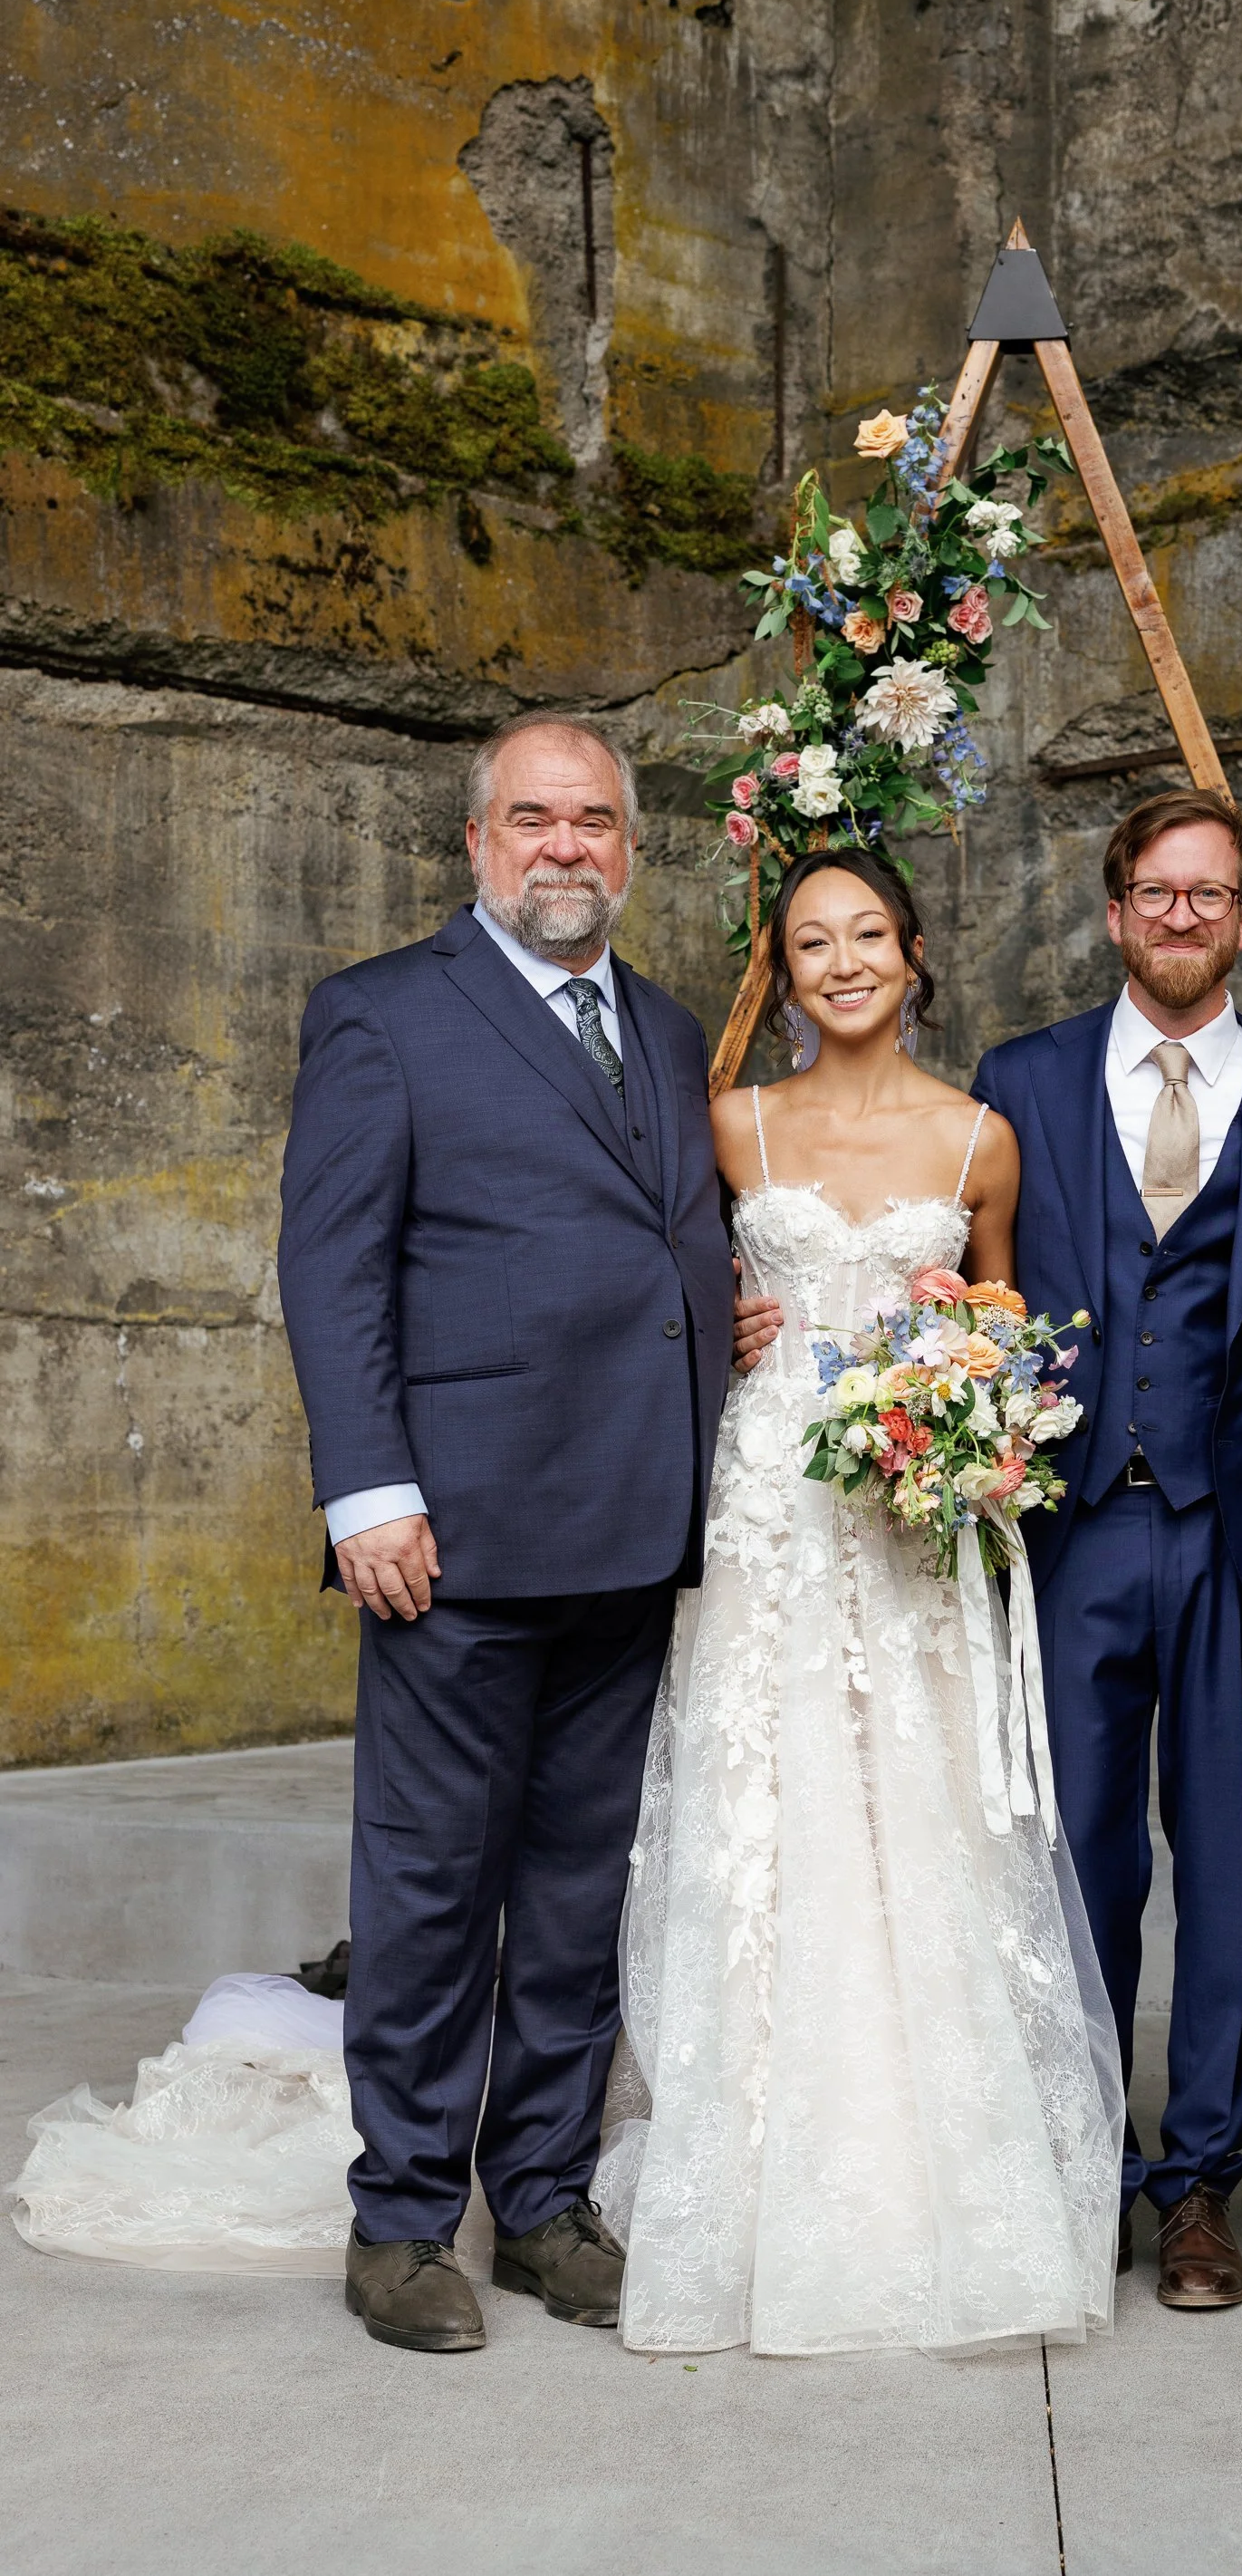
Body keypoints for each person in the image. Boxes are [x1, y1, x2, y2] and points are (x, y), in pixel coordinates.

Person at [274, 709, 761, 2352]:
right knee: (428, 1889)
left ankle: (542, 2198)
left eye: (597, 822)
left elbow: (655, 1238)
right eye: (535, 820)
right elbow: (334, 1269)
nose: (568, 847)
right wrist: (367, 1489)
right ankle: (402, 2224)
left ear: (630, 847)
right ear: (479, 844)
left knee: (575, 1893)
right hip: (454, 1539)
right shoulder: (383, 1017)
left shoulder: (673, 1026)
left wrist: (725, 1318)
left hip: (632, 1528)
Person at [598, 847, 1123, 2358]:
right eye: (811, 941)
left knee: (915, 1827)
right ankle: (739, 2174)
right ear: (787, 968)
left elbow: (1007, 1325)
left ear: (913, 956)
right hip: (766, 1506)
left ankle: (924, 2179)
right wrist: (725, 1312)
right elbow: (665, 1295)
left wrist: (977, 1393)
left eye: (867, 936)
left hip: (905, 1527)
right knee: (758, 1819)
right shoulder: (730, 1123)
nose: (841, 963)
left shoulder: (980, 1145)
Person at [971, 791, 1242, 2309]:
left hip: (1230, 1532)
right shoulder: (1022, 1079)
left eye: (1214, 894)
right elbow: (959, 1291)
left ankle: (1198, 2181)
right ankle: (1079, 2155)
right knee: (1073, 1862)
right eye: (1157, 892)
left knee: (1225, 1865)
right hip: (1072, 1532)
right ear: (1116, 911)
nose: (1185, 917)